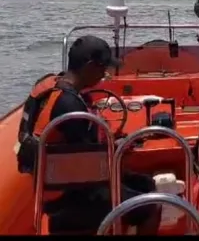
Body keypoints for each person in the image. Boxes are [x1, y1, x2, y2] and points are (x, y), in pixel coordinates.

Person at [15, 35, 160, 234]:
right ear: (90, 66)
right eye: (102, 69)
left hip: (49, 185)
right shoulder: (70, 106)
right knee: (152, 206)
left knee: (144, 183)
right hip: (68, 197)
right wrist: (119, 147)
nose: (104, 75)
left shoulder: (50, 85)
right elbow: (92, 167)